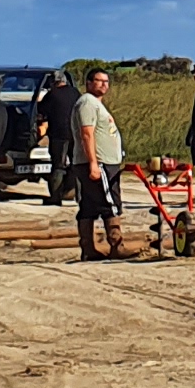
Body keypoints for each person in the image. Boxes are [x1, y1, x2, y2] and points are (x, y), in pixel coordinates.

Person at [74, 68, 129, 261]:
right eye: (99, 81)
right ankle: (116, 245)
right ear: (89, 83)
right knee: (110, 203)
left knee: (89, 205)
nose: (104, 84)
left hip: (105, 162)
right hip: (99, 163)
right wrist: (93, 164)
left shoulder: (96, 104)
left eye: (106, 81)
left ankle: (88, 249)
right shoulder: (87, 103)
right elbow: (87, 133)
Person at [39, 68, 87, 204]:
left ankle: (55, 198)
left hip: (58, 135)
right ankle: (81, 198)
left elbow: (40, 112)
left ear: (53, 82)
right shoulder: (75, 92)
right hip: (76, 134)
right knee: (76, 164)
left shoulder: (51, 95)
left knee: (58, 166)